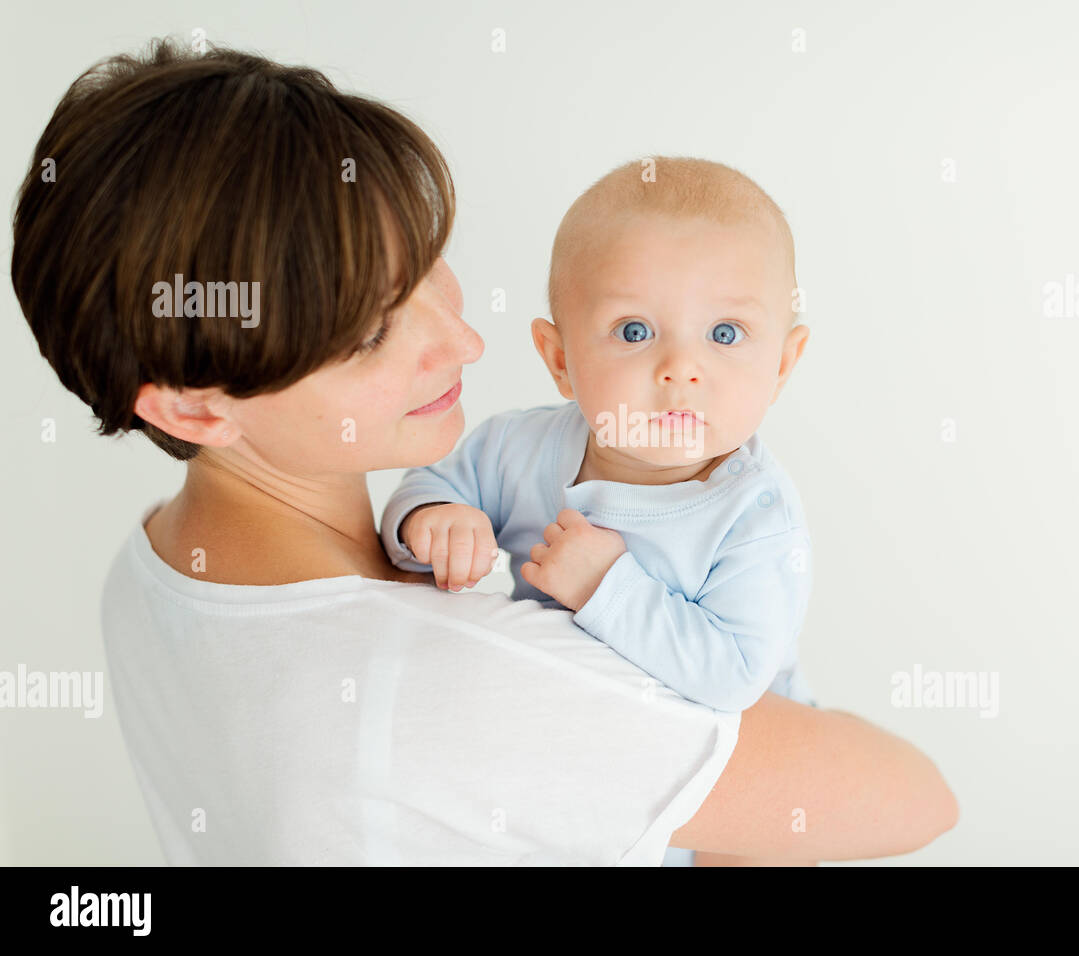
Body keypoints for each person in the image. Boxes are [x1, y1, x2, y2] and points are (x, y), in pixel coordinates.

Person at [10, 36, 959, 865]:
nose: (464, 344)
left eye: (427, 267)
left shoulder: (157, 567)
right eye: (373, 332)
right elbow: (917, 800)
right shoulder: (461, 681)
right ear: (196, 409)